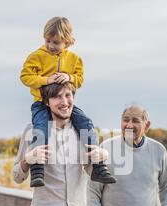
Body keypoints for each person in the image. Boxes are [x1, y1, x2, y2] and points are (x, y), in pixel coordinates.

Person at [20, 16, 115, 187]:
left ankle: (99, 166)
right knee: (41, 129)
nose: (50, 45)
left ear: (67, 41)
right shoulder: (37, 56)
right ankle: (37, 170)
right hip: (41, 102)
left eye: (55, 42)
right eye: (47, 40)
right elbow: (25, 77)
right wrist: (46, 80)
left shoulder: (74, 59)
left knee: (86, 123)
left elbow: (79, 79)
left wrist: (69, 76)